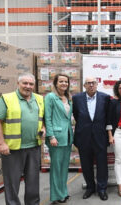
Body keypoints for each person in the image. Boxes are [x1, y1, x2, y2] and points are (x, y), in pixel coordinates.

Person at [0, 73, 45, 205]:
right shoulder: (7, 98)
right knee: (12, 183)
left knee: (33, 182)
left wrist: (43, 128)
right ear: (18, 84)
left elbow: (42, 118)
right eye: (25, 83)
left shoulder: (39, 99)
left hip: (34, 147)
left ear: (34, 85)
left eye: (31, 84)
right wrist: (1, 143)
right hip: (12, 149)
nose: (28, 86)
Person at [73, 77, 110, 201]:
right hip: (83, 136)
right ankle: (90, 187)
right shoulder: (77, 98)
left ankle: (102, 189)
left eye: (93, 83)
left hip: (100, 136)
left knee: (102, 164)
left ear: (97, 84)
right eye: (88, 83)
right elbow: (76, 115)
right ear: (84, 85)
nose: (91, 85)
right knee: (86, 164)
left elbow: (108, 117)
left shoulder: (105, 98)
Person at [44, 74, 74, 203]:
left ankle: (63, 192)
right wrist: (51, 136)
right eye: (61, 81)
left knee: (64, 167)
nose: (64, 84)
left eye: (66, 82)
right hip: (56, 137)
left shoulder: (68, 98)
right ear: (56, 83)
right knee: (56, 168)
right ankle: (56, 196)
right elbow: (48, 118)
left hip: (67, 136)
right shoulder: (51, 97)